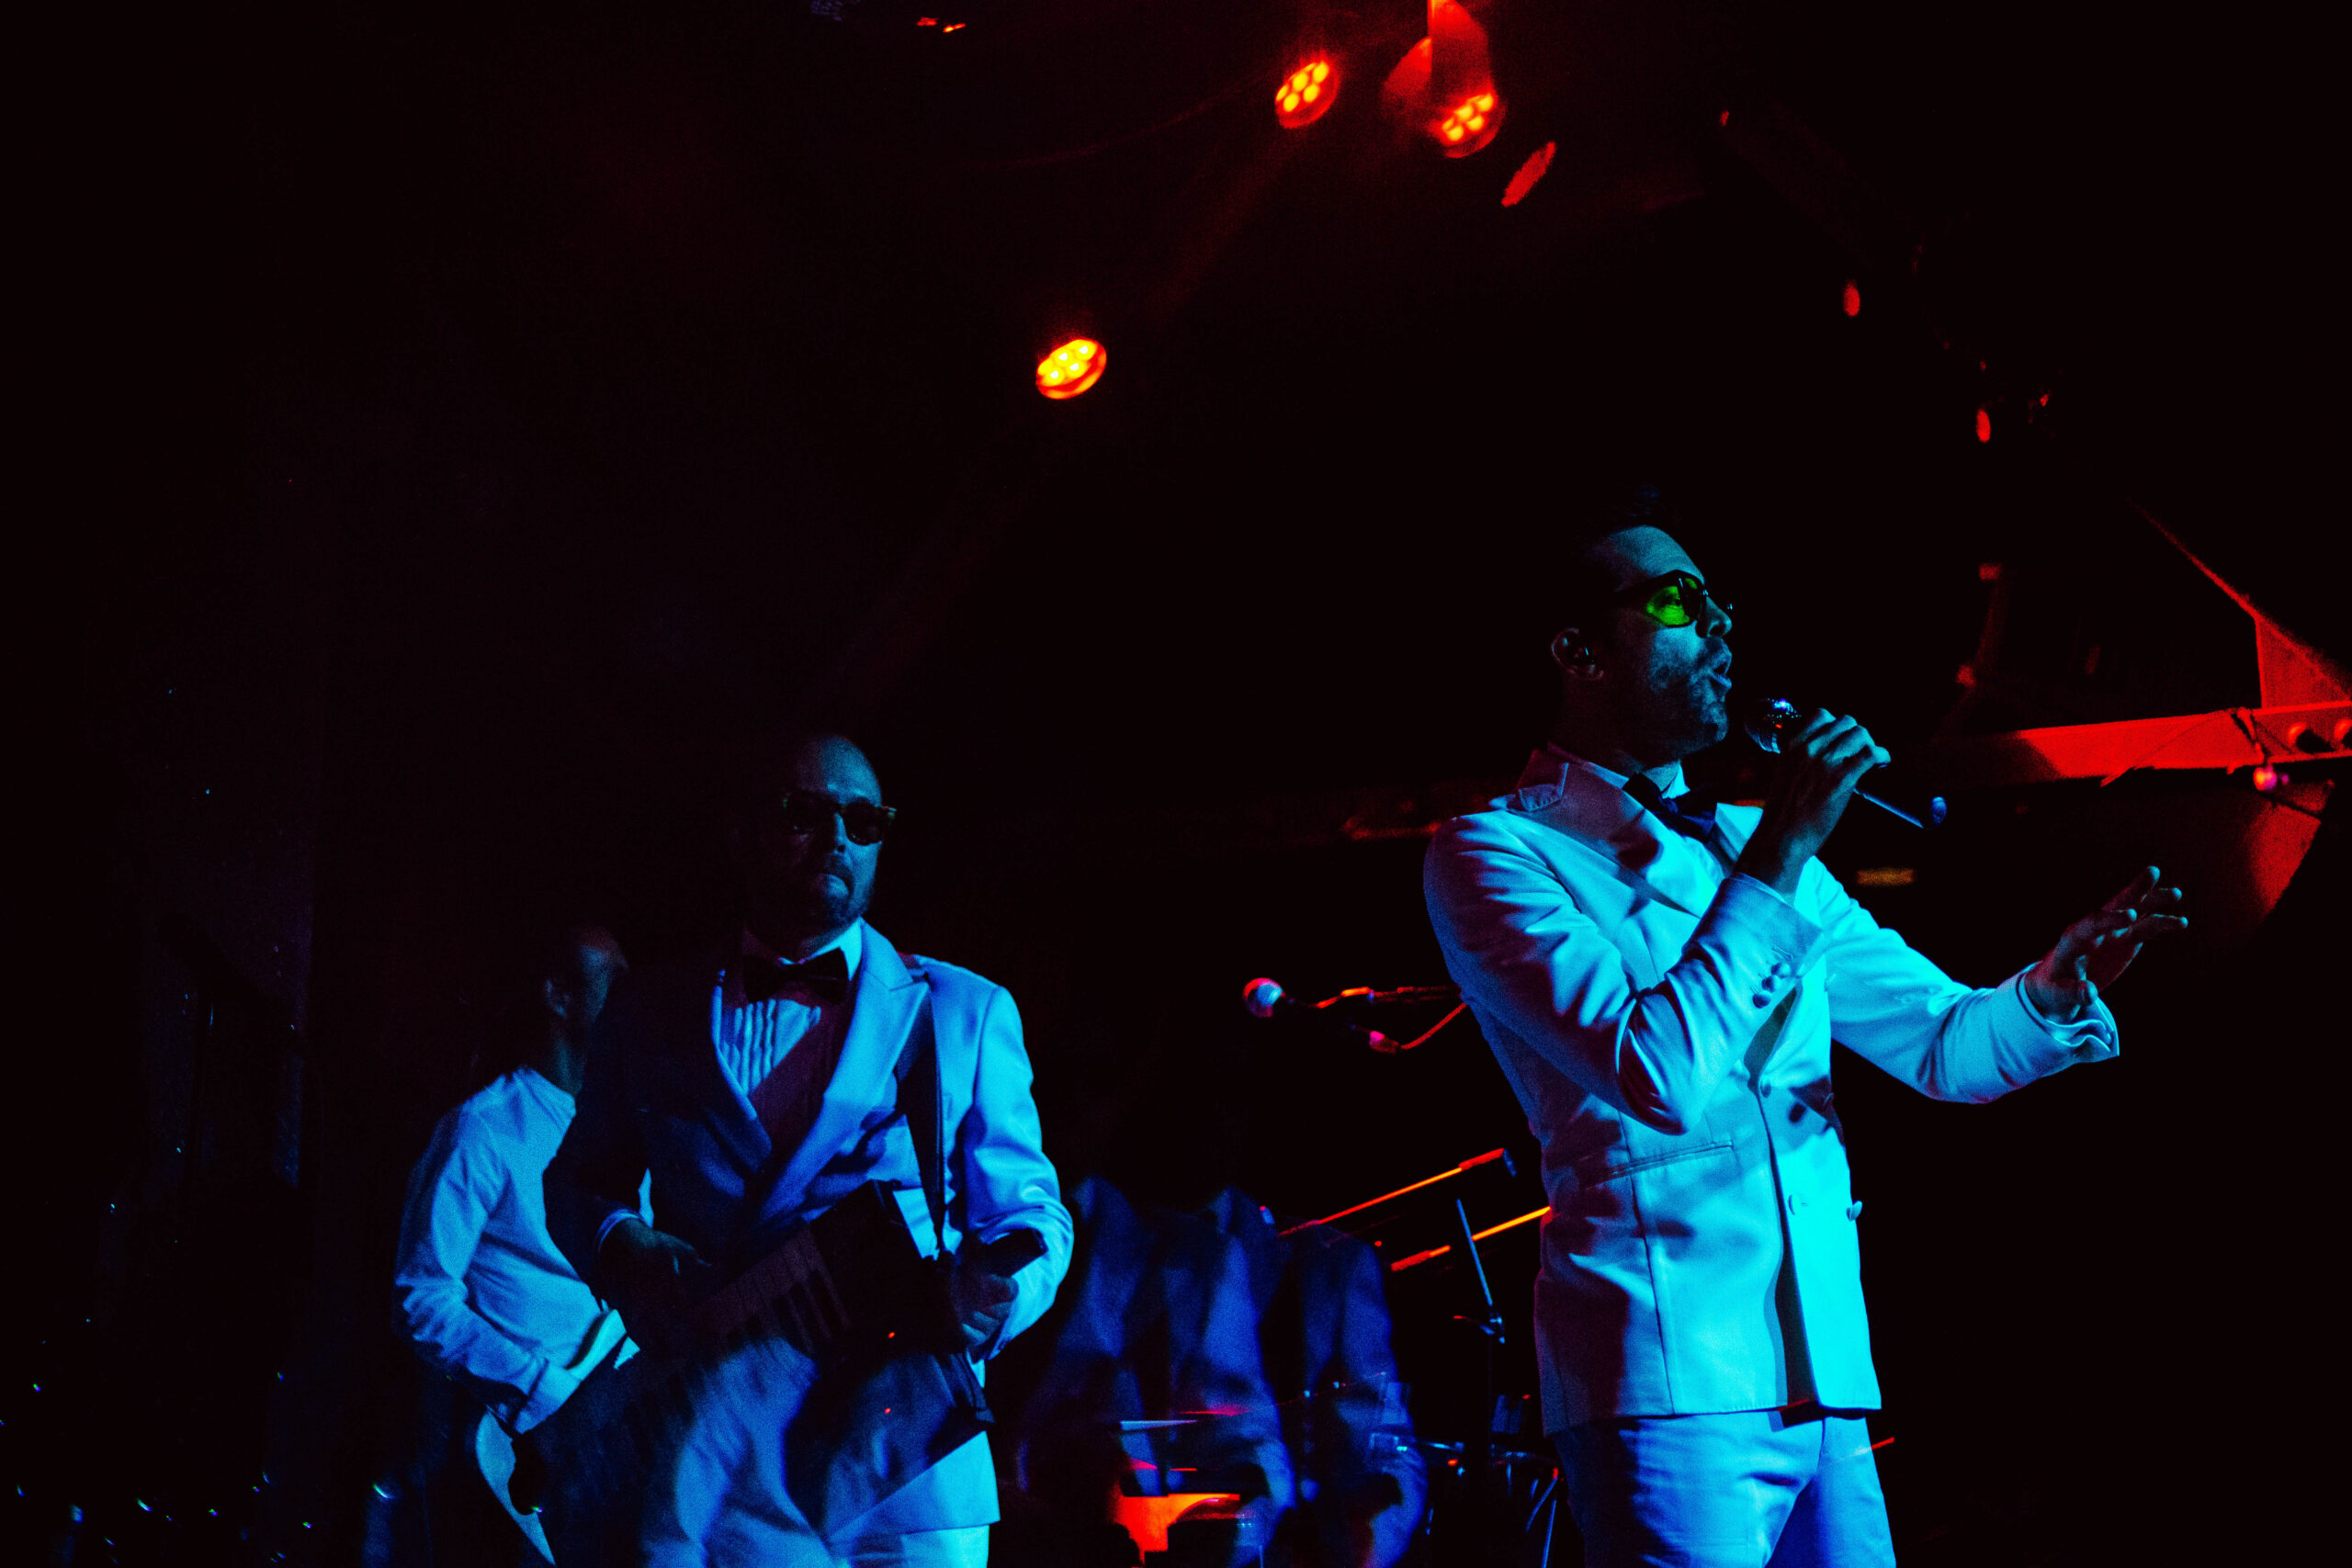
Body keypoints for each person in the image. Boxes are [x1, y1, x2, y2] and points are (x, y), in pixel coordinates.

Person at [1419, 489, 2186, 1568]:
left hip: (1822, 1367)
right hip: (1665, 1371)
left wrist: (2050, 990)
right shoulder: (1498, 852)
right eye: (1677, 602)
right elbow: (1655, 1073)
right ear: (1578, 652)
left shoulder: (1754, 844)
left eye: (1719, 603)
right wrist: (1781, 845)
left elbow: (1942, 1048)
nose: (1719, 627)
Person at [543, 732, 1071, 1568]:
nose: (837, 839)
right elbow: (580, 1180)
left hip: (903, 1466)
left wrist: (999, 1295)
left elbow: (1031, 1212)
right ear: (740, 833)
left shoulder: (963, 1010)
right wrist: (623, 1244)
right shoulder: (649, 1009)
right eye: (805, 813)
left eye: (864, 821)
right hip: (716, 1464)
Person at [392, 925, 633, 1563]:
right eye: (614, 981)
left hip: (622, 1418)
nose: (631, 998)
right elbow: (420, 1300)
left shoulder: (620, 1131)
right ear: (559, 996)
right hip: (540, 1437)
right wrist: (541, 1389)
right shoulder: (482, 1129)